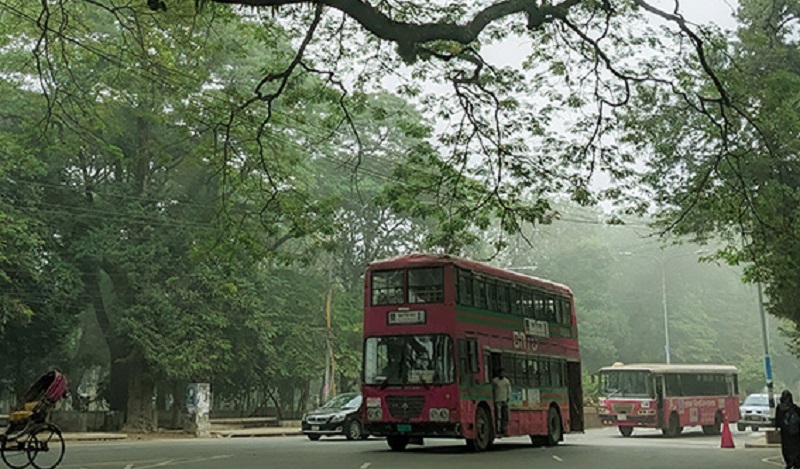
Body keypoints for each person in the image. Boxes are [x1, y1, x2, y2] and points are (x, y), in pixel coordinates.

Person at [776, 390, 800, 469]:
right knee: (795, 448)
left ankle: (790, 462)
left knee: (787, 448)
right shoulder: (794, 407)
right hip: (795, 433)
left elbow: (777, 420)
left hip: (785, 432)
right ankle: (795, 462)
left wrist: (777, 427)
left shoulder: (780, 408)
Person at [492, 368, 511, 436]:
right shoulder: (495, 381)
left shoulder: (506, 381)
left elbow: (509, 390)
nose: (502, 374)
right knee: (499, 416)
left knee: (505, 416)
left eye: (503, 373)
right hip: (497, 400)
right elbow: (493, 391)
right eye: (501, 373)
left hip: (504, 400)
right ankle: (498, 429)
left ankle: (504, 429)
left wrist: (508, 397)